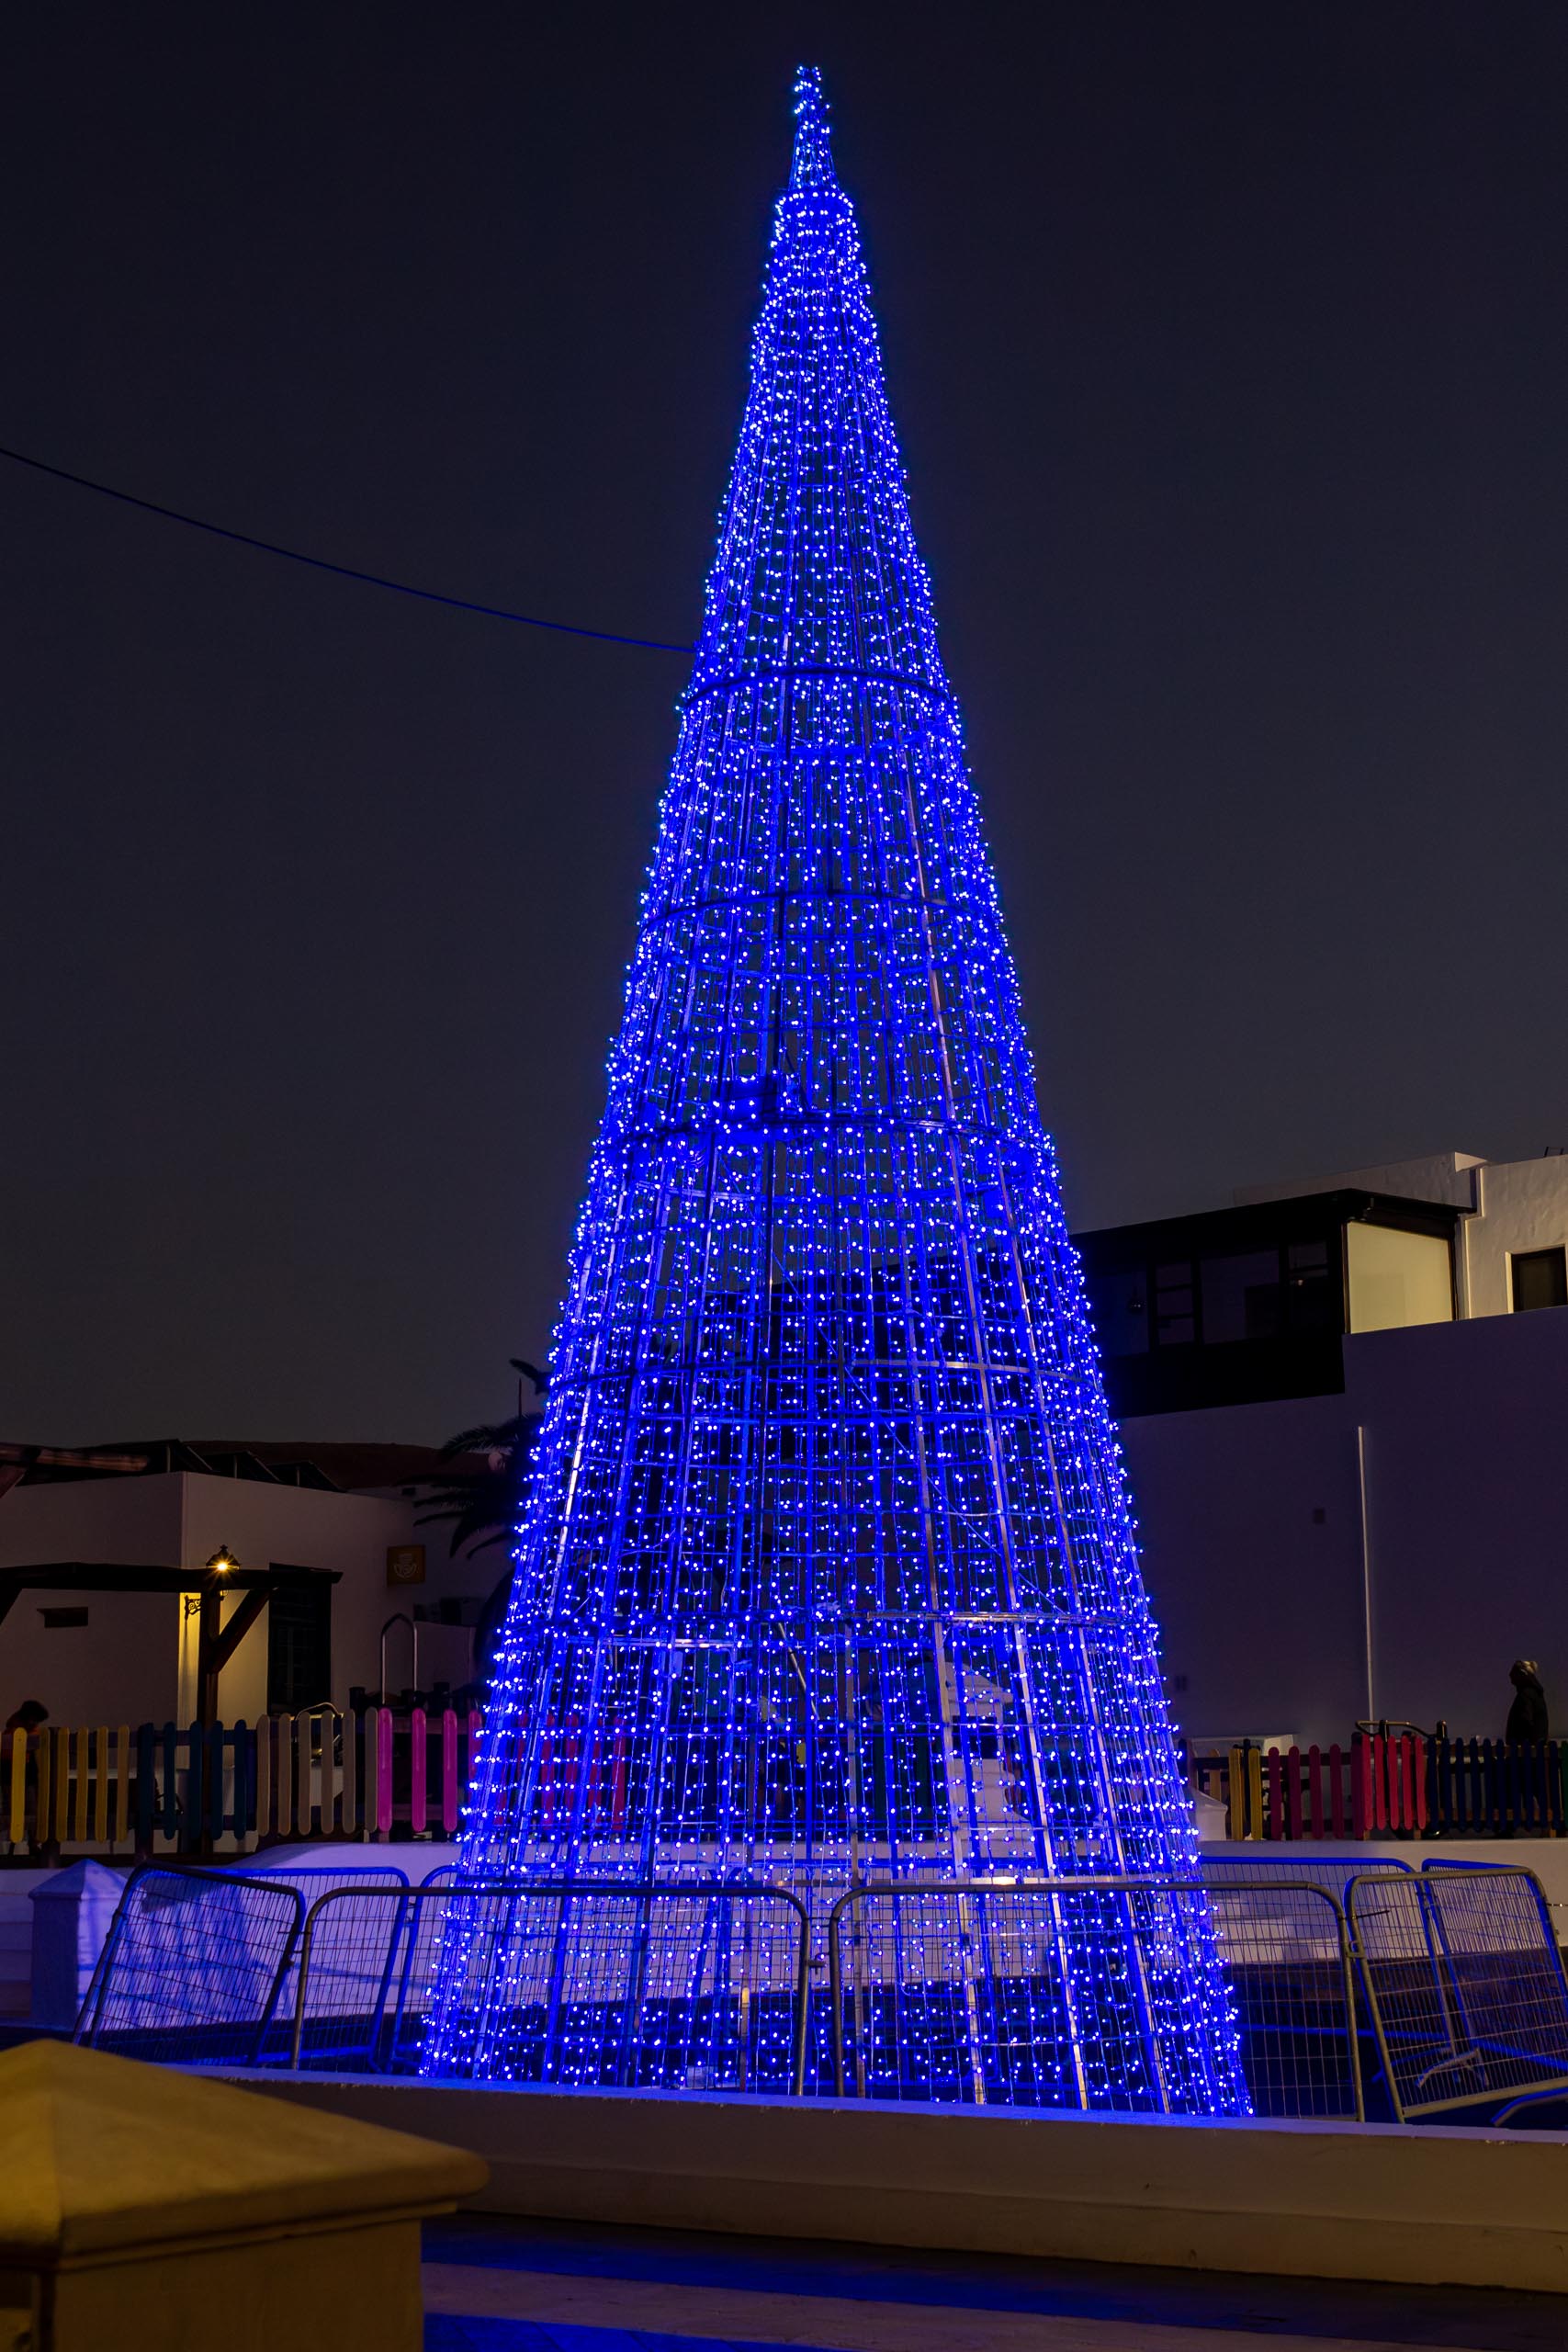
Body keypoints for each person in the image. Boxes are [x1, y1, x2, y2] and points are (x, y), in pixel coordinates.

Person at [1506, 1659, 1549, 1746]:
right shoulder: (1536, 1693)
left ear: (1521, 1674)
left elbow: (1525, 1720)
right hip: (1534, 1748)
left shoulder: (1526, 1694)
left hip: (1526, 1749)